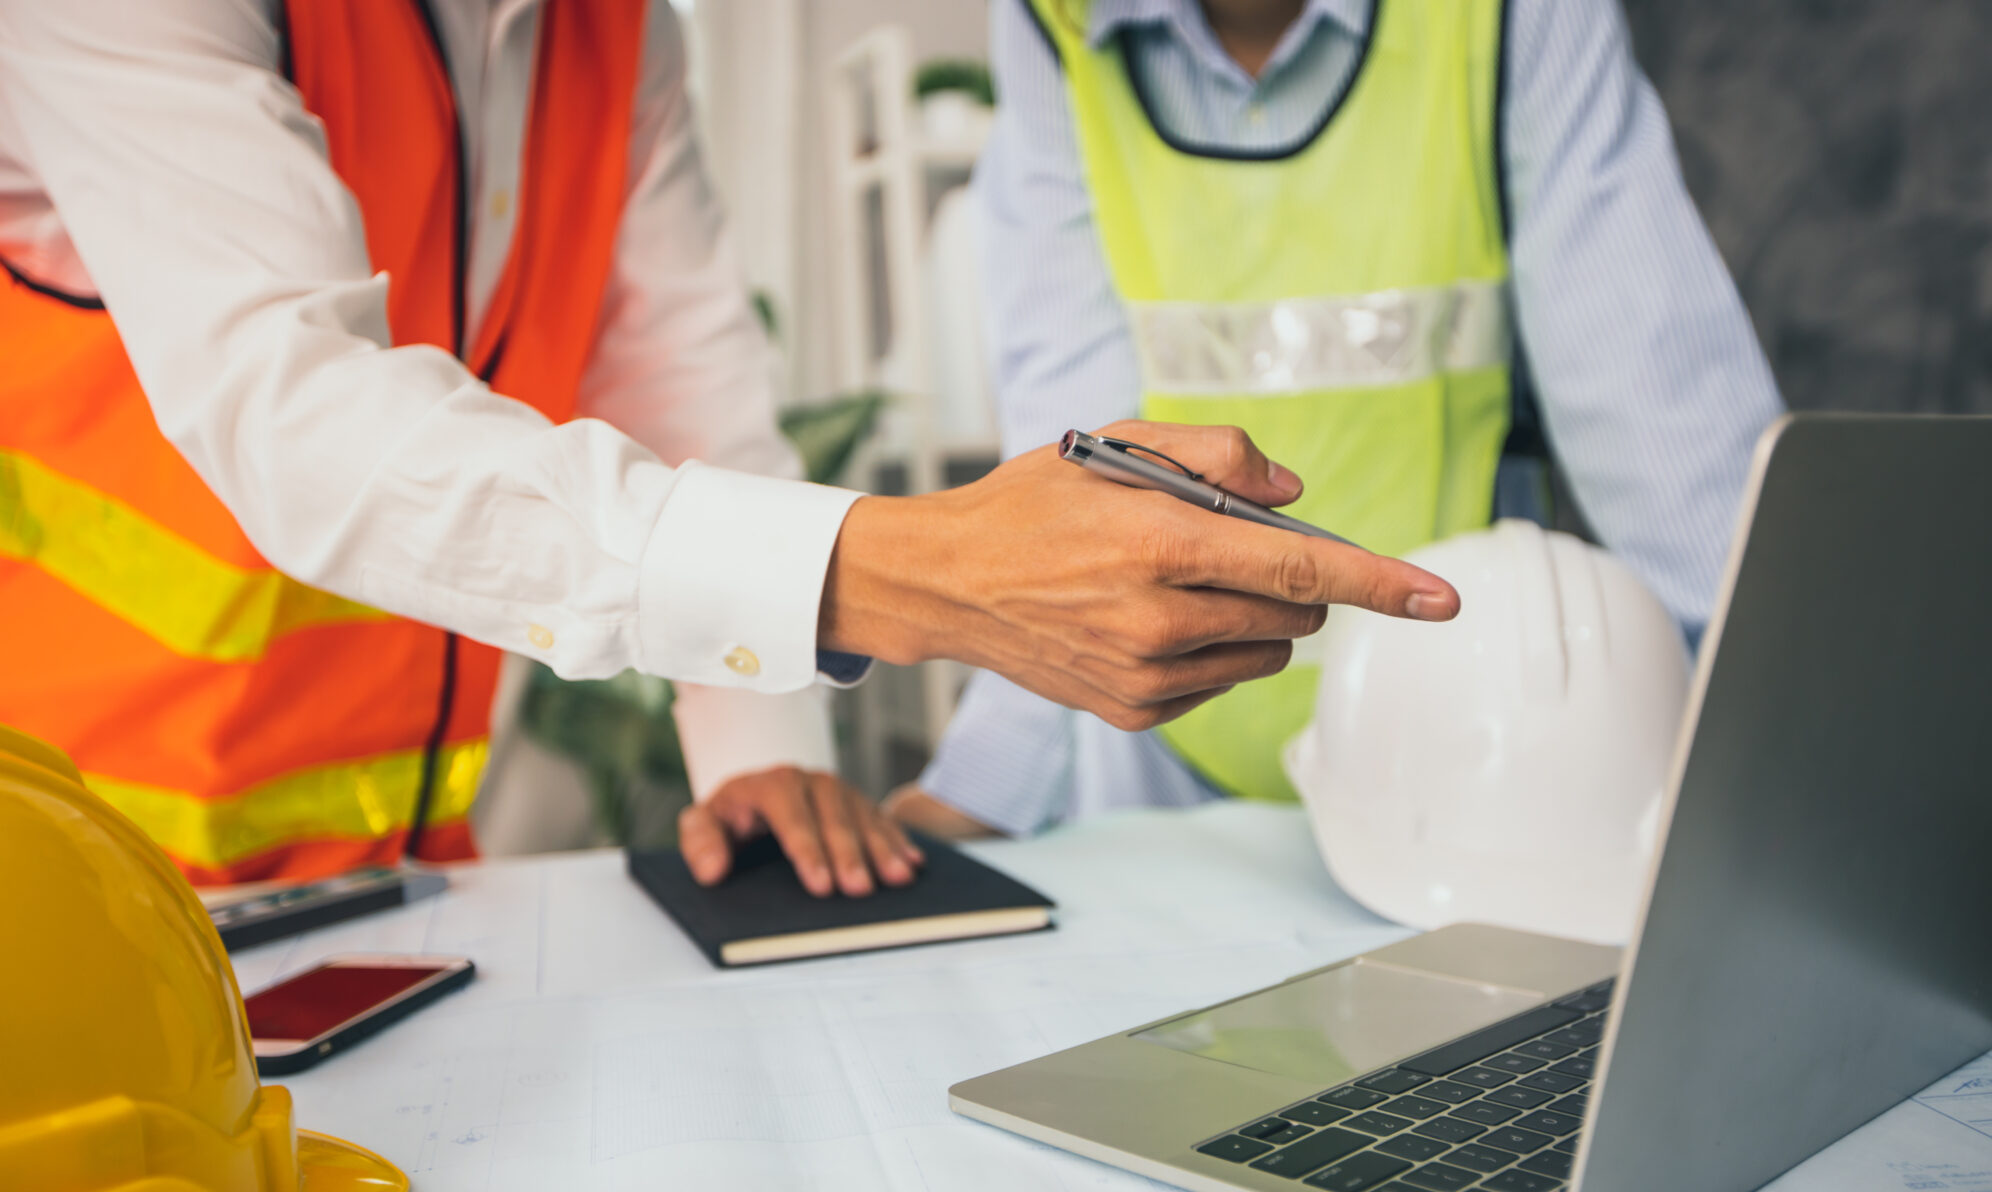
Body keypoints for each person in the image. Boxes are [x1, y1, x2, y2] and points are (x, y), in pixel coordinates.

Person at [0, 0, 1457, 894]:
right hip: (62, 874)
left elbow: (686, 387)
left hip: (388, 883)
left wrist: (756, 752)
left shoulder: (620, 36)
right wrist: (916, 572)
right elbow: (298, 419)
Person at [887, 0, 1785, 839]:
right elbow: (1064, 466)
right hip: (1164, 772)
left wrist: (1794, 733)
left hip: (1476, 753)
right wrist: (974, 791)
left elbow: (1665, 424)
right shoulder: (1056, 21)